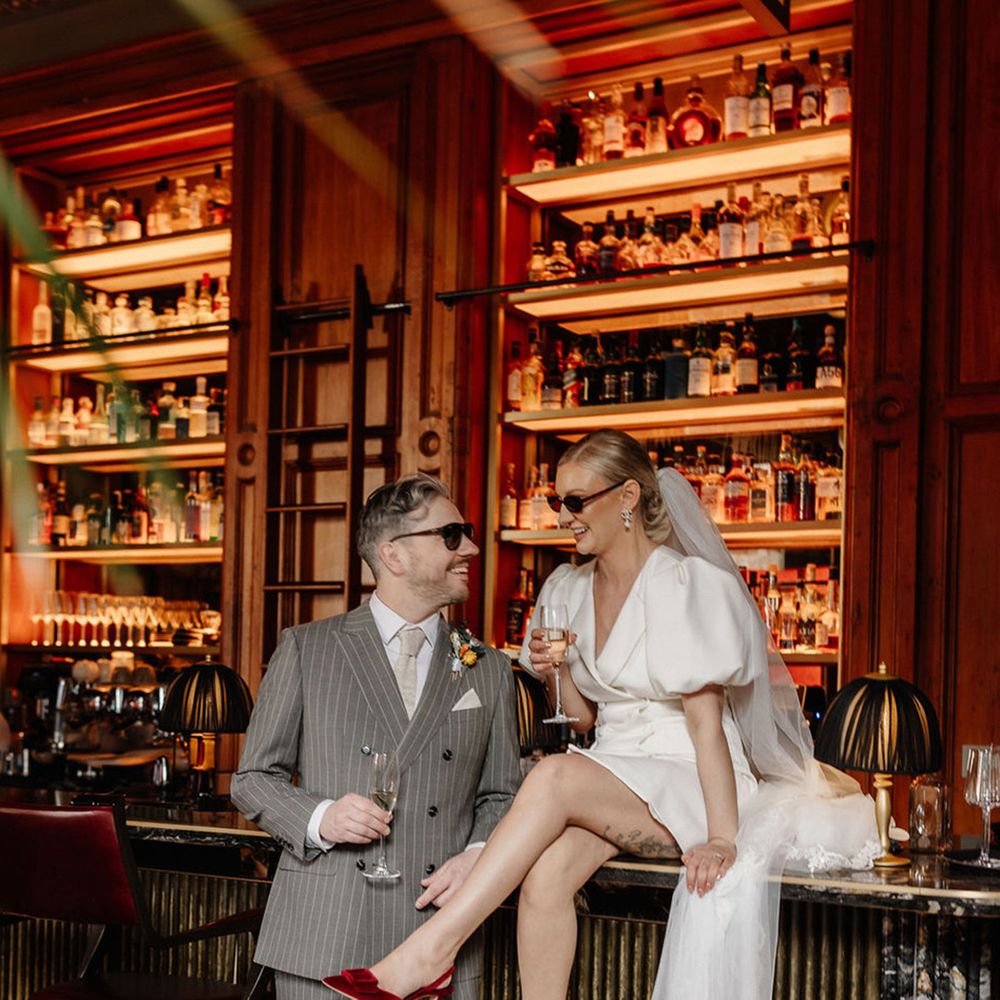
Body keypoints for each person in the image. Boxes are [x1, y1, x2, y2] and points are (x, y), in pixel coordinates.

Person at [324, 430, 878, 1000]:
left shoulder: (687, 586)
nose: (564, 516)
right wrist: (556, 674)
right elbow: (584, 721)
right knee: (545, 880)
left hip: (688, 776)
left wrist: (720, 837)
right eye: (556, 501)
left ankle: (431, 951)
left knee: (553, 774)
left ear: (628, 497)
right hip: (614, 770)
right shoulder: (566, 588)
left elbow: (707, 728)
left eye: (576, 501)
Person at [231, 474, 522, 1000]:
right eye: (452, 535)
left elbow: (502, 791)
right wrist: (322, 817)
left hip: (440, 930)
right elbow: (252, 779)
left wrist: (481, 850)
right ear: (394, 554)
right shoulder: (306, 649)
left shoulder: (491, 668)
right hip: (328, 931)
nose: (472, 548)